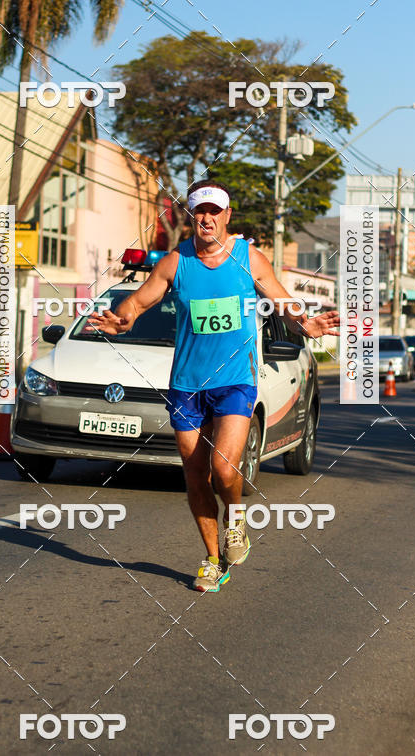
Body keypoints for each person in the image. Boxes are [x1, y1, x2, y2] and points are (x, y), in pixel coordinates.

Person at [89, 181, 340, 592]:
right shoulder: (175, 262)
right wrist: (122, 316)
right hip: (187, 383)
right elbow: (139, 300)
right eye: (199, 212)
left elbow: (281, 298)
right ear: (191, 218)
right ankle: (211, 558)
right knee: (195, 475)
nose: (206, 218)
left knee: (224, 469)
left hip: (234, 381)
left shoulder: (248, 259)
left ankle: (236, 521)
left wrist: (304, 323)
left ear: (227, 216)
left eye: (214, 211)